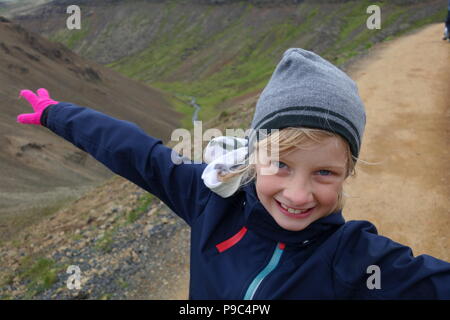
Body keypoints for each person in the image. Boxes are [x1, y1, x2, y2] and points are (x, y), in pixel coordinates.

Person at [16, 48, 450, 299]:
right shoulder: (211, 200)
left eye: (324, 173)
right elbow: (138, 154)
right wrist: (59, 115)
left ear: (347, 173)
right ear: (253, 154)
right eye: (279, 165)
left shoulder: (357, 259)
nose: (298, 195)